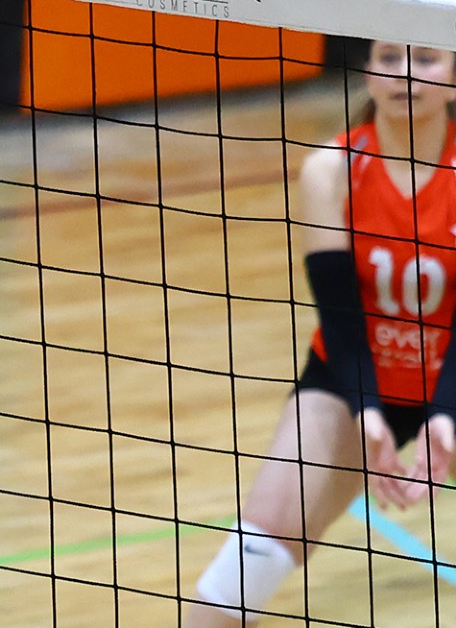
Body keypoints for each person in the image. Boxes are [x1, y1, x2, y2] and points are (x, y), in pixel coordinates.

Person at [187, 43, 456, 625]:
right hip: (349, 377)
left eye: (427, 59)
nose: (406, 74)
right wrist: (366, 407)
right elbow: (338, 311)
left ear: (455, 76)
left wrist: (445, 410)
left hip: (453, 377)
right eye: (389, 58)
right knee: (260, 546)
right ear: (367, 72)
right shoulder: (331, 170)